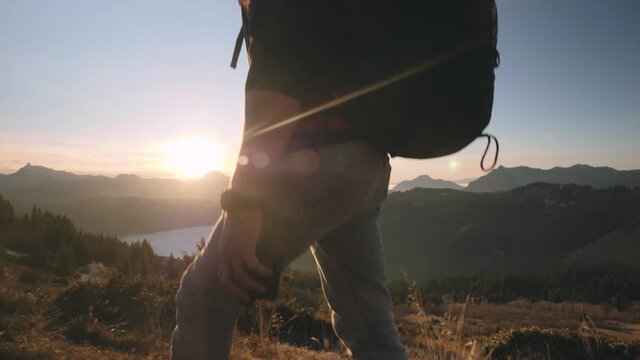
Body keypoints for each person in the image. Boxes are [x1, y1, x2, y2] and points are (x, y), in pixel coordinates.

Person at [171, 1, 412, 359]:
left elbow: (276, 86)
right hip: (365, 166)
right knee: (369, 327)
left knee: (204, 296)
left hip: (314, 162)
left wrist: (245, 203)